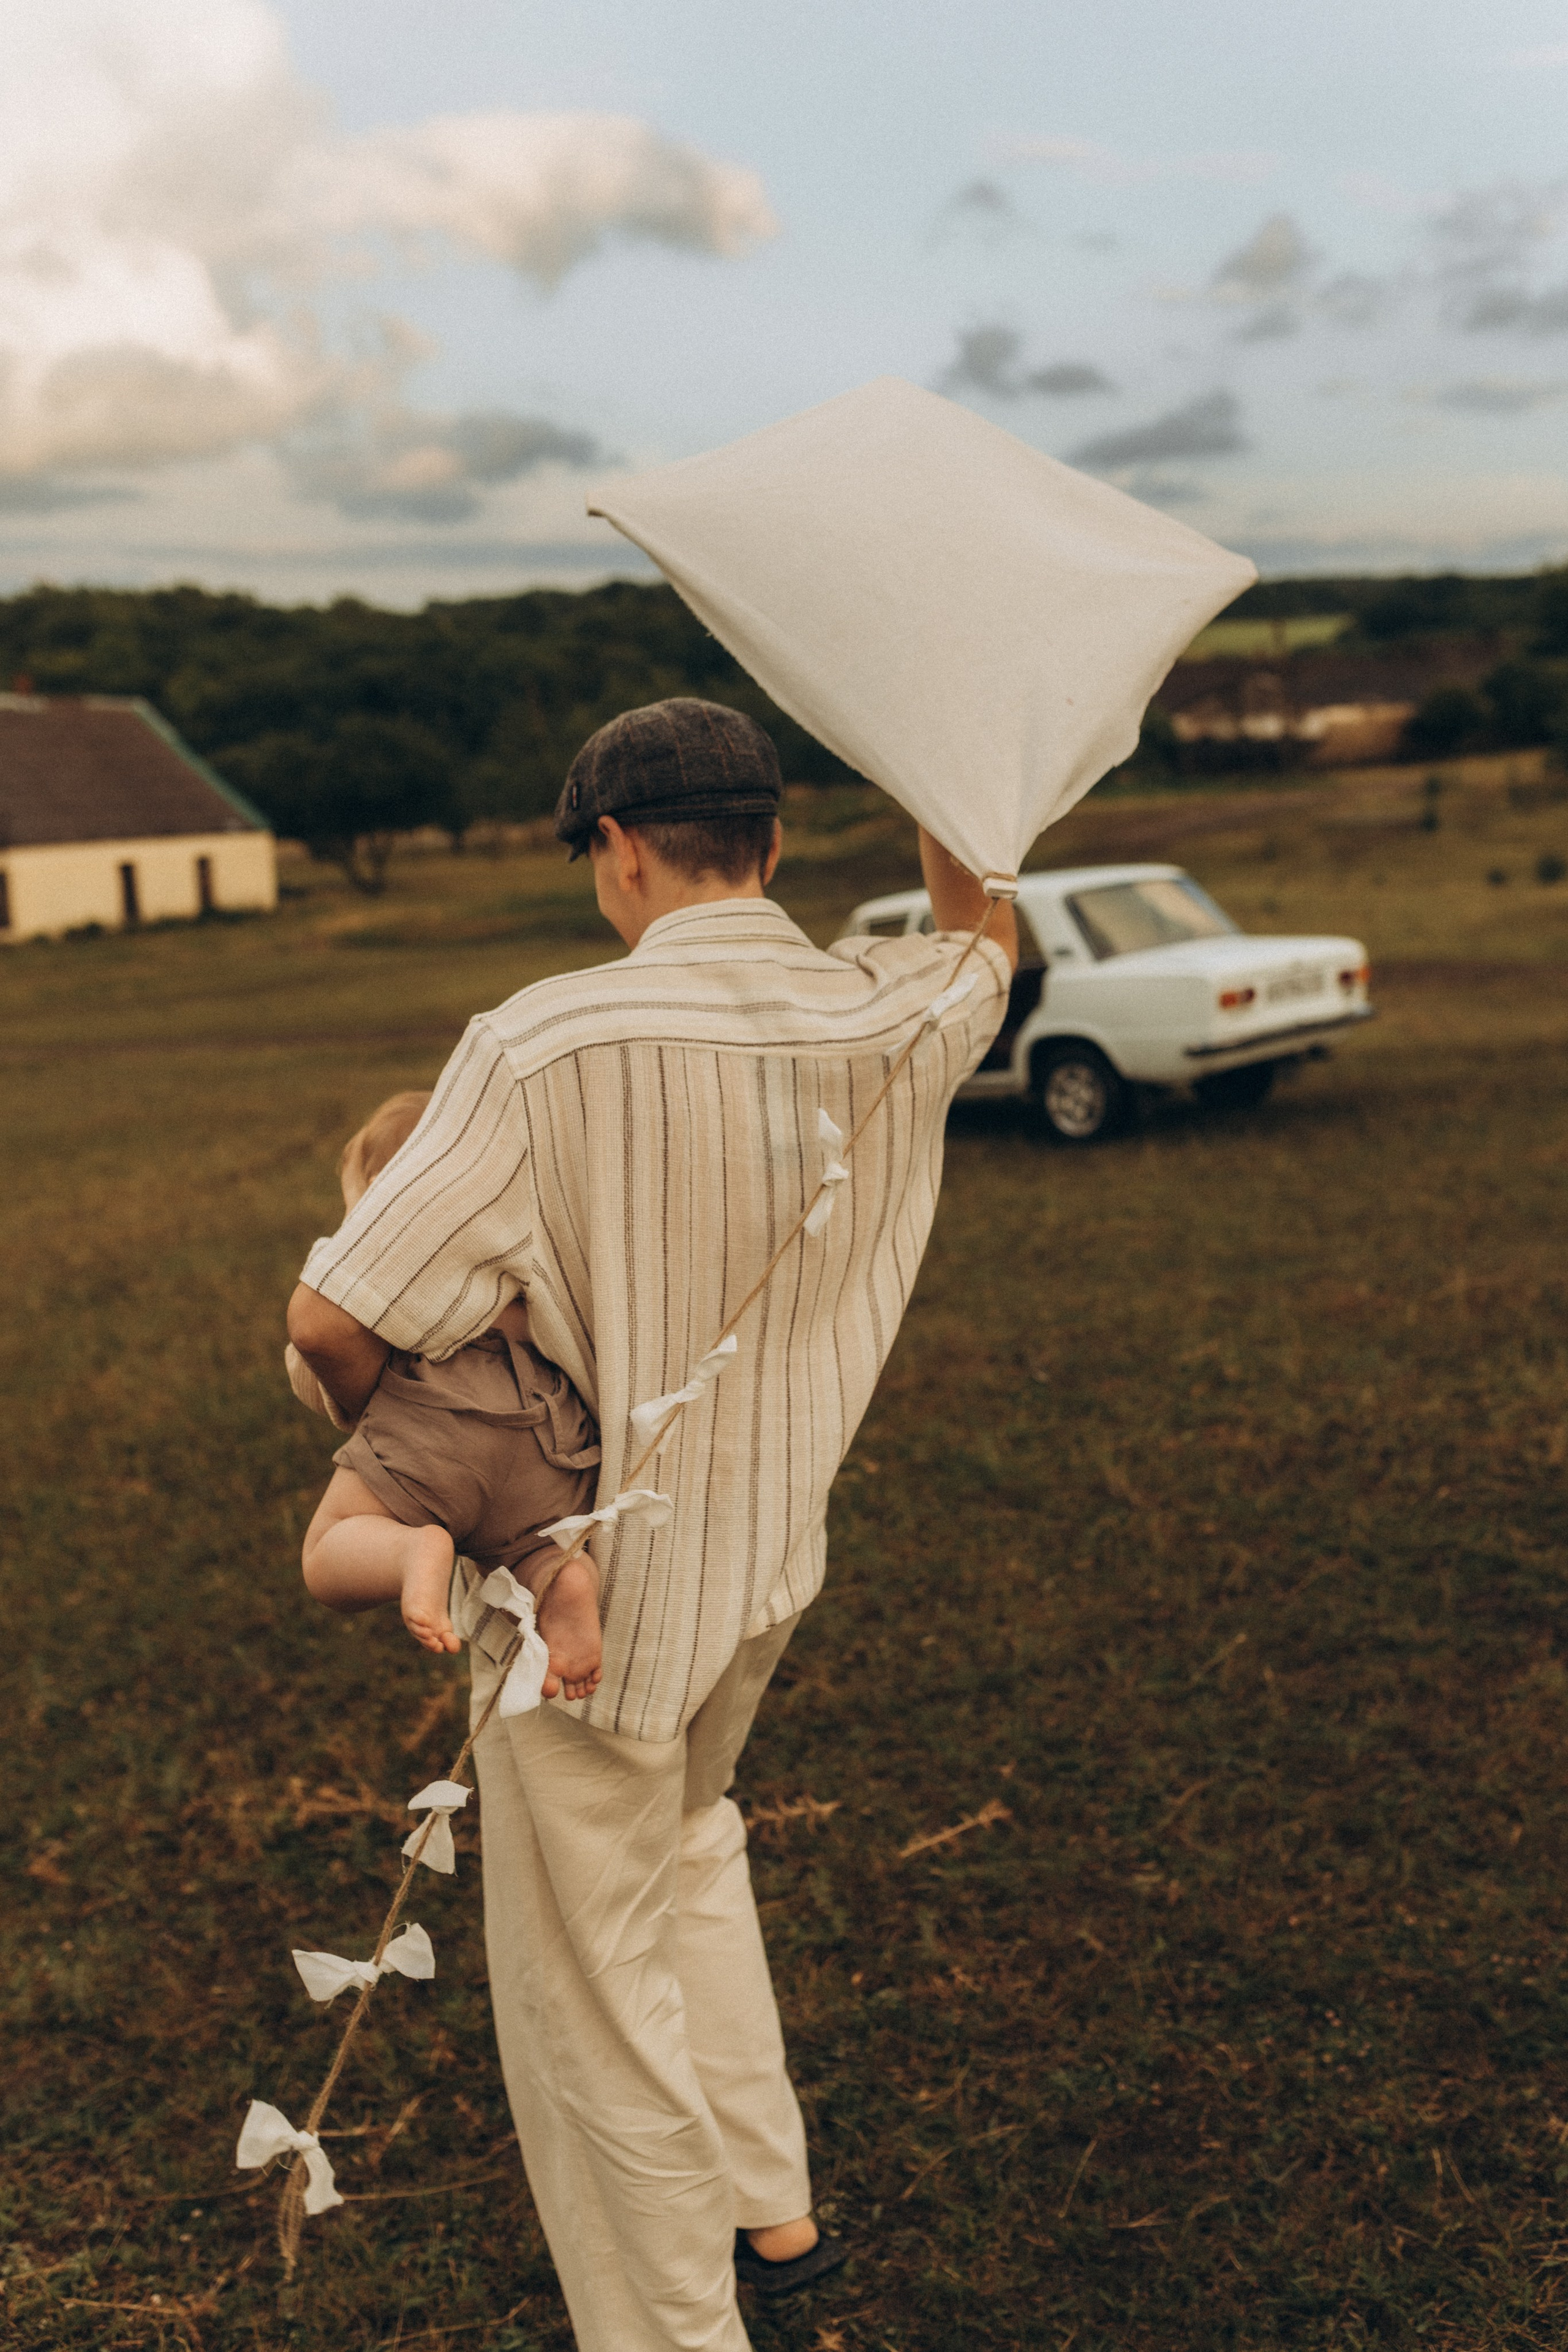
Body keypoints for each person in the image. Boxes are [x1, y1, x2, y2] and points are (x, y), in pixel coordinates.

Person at [286, 696, 1018, 2351]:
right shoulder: (895, 1011)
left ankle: (678, 2337)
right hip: (762, 1581)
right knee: (695, 1858)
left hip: (579, 1620)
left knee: (589, 2009)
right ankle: (779, 2215)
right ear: (770, 838)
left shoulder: (540, 1045)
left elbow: (332, 1315)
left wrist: (404, 1458)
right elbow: (986, 930)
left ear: (618, 849)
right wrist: (946, 741)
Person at [286, 1090, 605, 1700]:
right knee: (528, 1545)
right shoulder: (521, 1246)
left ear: (382, 1189)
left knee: (326, 1554)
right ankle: (557, 1579)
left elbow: (315, 1358)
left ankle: (412, 1548)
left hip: (440, 1425)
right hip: (547, 1434)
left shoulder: (374, 1257)